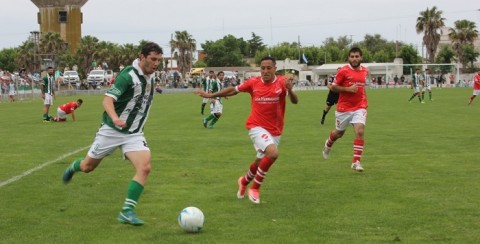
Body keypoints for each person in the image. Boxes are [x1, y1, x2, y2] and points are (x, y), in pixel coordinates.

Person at [62, 42, 163, 226]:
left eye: (159, 60)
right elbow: (107, 100)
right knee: (88, 167)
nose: (156, 63)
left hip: (134, 133)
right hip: (111, 130)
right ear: (142, 57)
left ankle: (127, 211)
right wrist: (116, 118)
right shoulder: (127, 77)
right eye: (153, 59)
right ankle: (74, 166)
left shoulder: (151, 75)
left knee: (145, 168)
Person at [194, 56, 298, 204]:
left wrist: (291, 90)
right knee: (273, 153)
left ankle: (243, 181)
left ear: (275, 68)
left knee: (260, 161)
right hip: (256, 126)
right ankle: (255, 188)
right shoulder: (253, 83)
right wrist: (212, 95)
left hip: (275, 130)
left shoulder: (281, 82)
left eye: (269, 68)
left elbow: (294, 101)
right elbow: (233, 90)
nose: (265, 71)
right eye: (263, 68)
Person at [321, 47, 369, 172]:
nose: (354, 59)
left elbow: (362, 87)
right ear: (349, 58)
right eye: (352, 56)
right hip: (344, 108)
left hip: (360, 106)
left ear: (361, 57)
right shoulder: (343, 71)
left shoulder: (365, 71)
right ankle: (328, 144)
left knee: (360, 131)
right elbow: (333, 87)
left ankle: (356, 162)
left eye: (357, 56)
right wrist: (348, 89)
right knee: (339, 133)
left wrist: (363, 100)